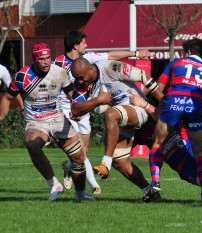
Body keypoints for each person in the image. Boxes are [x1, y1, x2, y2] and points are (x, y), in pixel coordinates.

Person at [0, 42, 111, 201]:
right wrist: (1, 116)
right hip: (36, 122)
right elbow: (8, 96)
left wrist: (78, 109)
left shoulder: (60, 73)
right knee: (32, 143)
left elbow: (73, 94)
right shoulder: (22, 76)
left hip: (58, 119)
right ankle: (53, 184)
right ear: (34, 59)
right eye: (41, 59)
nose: (45, 62)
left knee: (79, 157)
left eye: (48, 58)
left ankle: (80, 193)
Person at [54, 30, 152, 194]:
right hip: (69, 108)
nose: (87, 45)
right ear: (76, 46)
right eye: (84, 43)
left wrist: (135, 54)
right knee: (83, 153)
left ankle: (81, 171)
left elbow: (111, 55)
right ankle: (93, 188)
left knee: (83, 150)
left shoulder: (90, 59)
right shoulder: (57, 64)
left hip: (96, 107)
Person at [70, 57, 163, 197]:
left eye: (81, 78)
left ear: (90, 68)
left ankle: (105, 164)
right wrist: (98, 100)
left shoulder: (110, 67)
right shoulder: (83, 84)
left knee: (110, 114)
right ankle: (150, 192)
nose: (80, 82)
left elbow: (143, 76)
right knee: (119, 161)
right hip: (120, 116)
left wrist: (163, 101)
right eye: (77, 79)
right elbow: (75, 109)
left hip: (137, 107)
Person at [145, 38, 202, 204]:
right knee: (200, 152)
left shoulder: (176, 63)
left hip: (174, 102)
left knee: (158, 144)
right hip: (195, 106)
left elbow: (159, 88)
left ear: (188, 53)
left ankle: (155, 182)